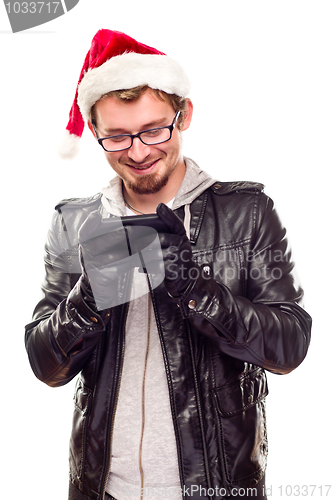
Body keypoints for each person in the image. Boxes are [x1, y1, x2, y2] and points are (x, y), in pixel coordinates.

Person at [25, 29, 312, 500]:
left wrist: (197, 289)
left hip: (215, 488)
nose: (138, 152)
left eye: (154, 129)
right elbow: (45, 365)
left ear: (185, 115)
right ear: (94, 130)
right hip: (101, 490)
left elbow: (290, 345)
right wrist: (89, 298)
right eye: (116, 137)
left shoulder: (247, 211)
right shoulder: (73, 222)